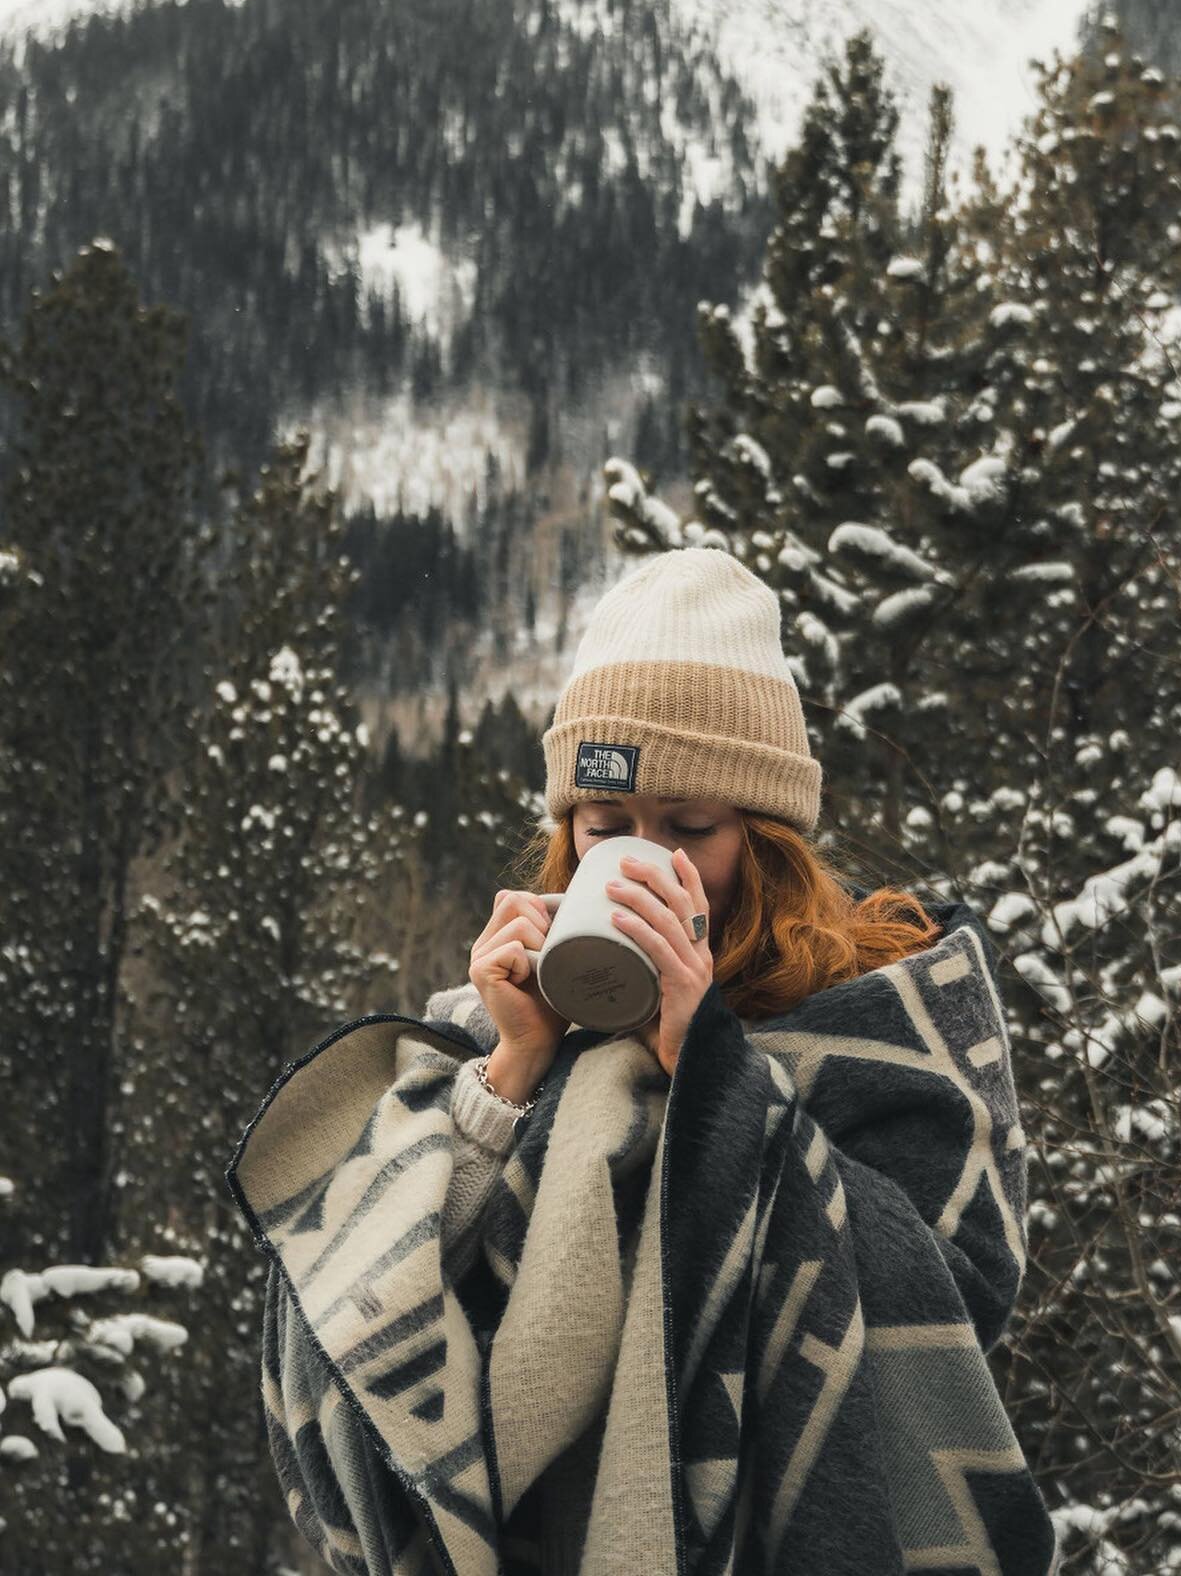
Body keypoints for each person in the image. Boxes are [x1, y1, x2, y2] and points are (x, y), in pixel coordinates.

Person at [229, 545, 1058, 1576]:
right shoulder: (497, 1037)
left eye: (690, 828)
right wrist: (507, 1080)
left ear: (768, 840)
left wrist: (712, 1077)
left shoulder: (890, 1029)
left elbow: (952, 1306)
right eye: (606, 825)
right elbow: (362, 1351)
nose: (642, 860)